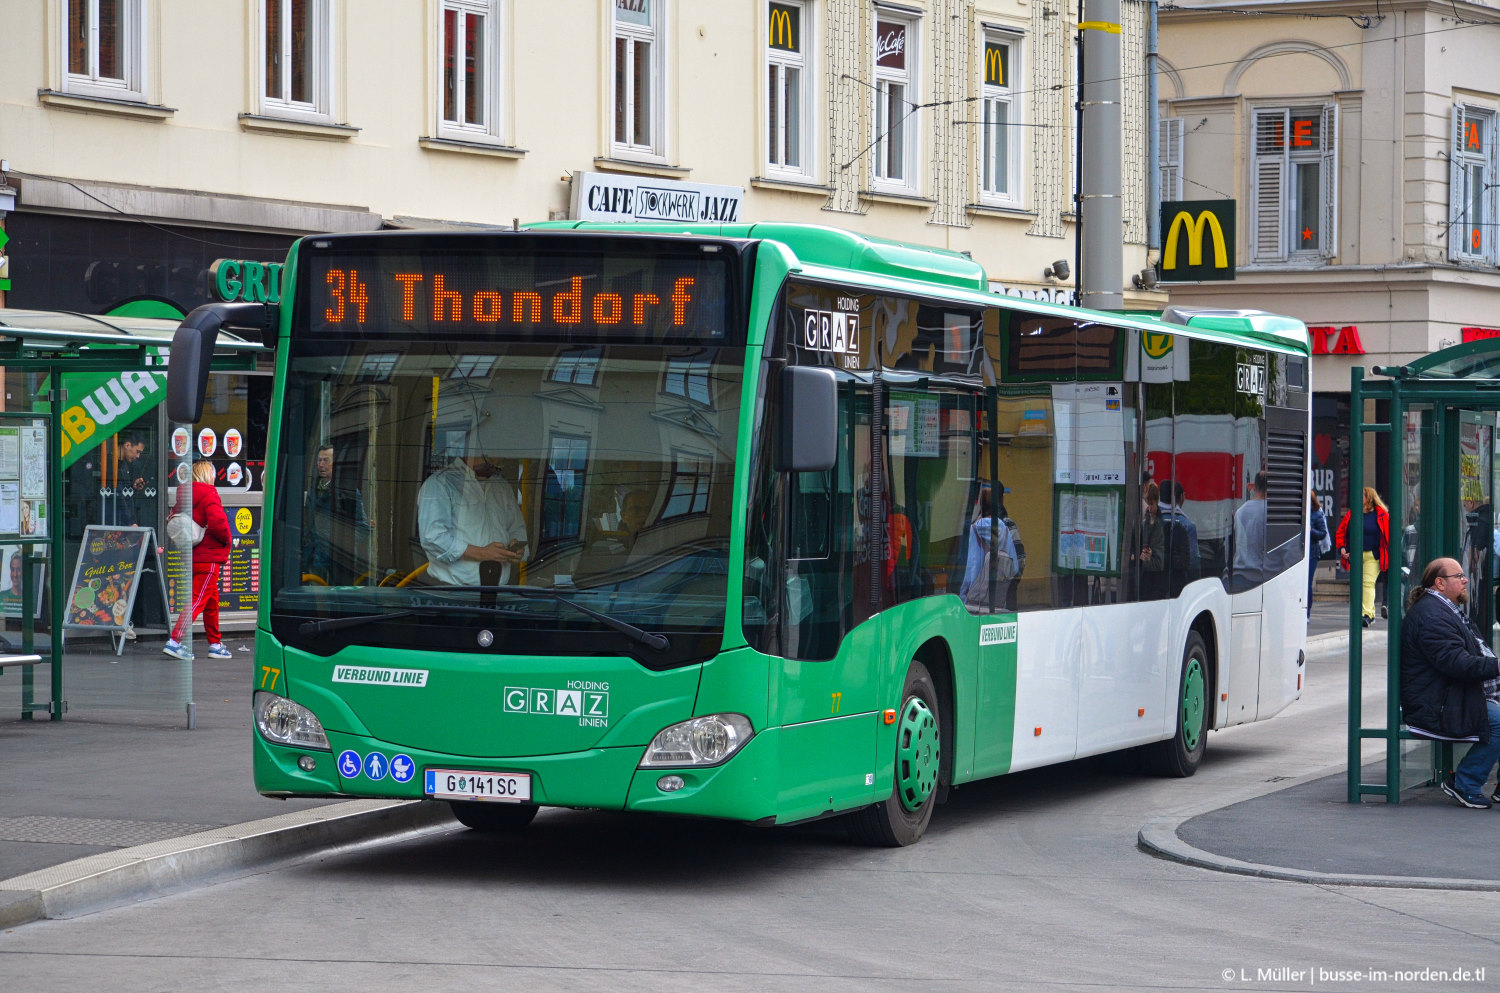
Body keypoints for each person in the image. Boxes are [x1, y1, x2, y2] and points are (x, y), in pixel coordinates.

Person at [1400, 558, 1500, 808]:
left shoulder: (1443, 609)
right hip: (1437, 704)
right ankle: (1464, 782)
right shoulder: (1432, 616)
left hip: (1452, 693)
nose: (1465, 580)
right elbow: (1456, 663)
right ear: (1440, 583)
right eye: (1459, 576)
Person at [418, 452, 529, 586]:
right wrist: (481, 553)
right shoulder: (440, 483)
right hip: (452, 594)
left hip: (498, 590)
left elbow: (516, 527)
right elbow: (432, 537)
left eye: (497, 460)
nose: (494, 464)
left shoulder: (501, 485)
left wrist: (516, 547)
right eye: (489, 460)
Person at [163, 461, 232, 662]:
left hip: (192, 555)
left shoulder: (184, 495)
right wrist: (228, 540)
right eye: (212, 474)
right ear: (207, 475)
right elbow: (219, 524)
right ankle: (174, 641)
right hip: (208, 557)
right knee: (197, 600)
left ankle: (215, 644)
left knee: (211, 602)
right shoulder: (209, 494)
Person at [302, 442, 369, 582]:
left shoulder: (347, 492)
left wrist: (341, 546)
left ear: (336, 464)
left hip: (337, 563)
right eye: (319, 460)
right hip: (312, 559)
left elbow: (361, 528)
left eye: (326, 460)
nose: (321, 464)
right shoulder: (312, 490)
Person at [1337, 486, 1390, 628]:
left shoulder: (1381, 515)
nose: (1359, 498)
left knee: (1368, 583)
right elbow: (1341, 532)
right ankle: (1370, 615)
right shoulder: (1352, 514)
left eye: (1362, 495)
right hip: (1355, 555)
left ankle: (1366, 614)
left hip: (1373, 556)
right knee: (1359, 585)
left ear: (1369, 498)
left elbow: (1389, 536)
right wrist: (1342, 548)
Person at [960, 485, 1018, 610]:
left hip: (974, 600)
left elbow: (971, 565)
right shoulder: (1005, 530)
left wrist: (963, 593)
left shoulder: (974, 529)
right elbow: (1014, 567)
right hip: (998, 601)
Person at [1231, 471, 1269, 589]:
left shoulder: (1239, 512)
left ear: (1255, 487)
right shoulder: (1271, 512)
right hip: (1261, 577)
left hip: (1239, 576)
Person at [1137, 480, 1167, 600]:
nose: (1149, 508)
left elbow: (1159, 562)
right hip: (1147, 580)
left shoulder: (1160, 525)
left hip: (1155, 582)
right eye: (1148, 504)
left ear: (1157, 502)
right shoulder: (1144, 524)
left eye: (1152, 504)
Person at [113, 432, 150, 526]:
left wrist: (133, 488)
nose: (138, 456)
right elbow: (119, 496)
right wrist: (130, 522)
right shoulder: (110, 465)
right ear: (127, 445)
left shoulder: (125, 465)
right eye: (138, 451)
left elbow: (124, 494)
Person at [1307, 493, 1329, 617]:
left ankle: (1307, 612)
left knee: (1308, 583)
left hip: (1312, 553)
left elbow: (1323, 533)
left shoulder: (1316, 513)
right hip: (1299, 550)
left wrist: (1311, 531)